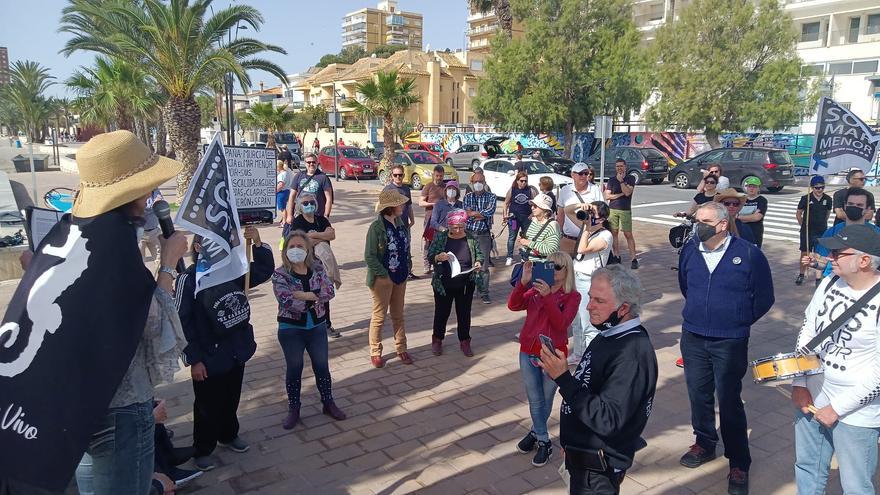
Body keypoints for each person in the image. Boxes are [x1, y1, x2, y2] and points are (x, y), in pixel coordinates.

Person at [64, 131, 189, 495]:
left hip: (85, 399)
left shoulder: (76, 235)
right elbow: (150, 325)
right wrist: (167, 264)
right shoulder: (116, 245)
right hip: (120, 406)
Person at [677, 202, 774, 495]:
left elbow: (764, 297)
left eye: (704, 220)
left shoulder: (748, 254)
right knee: (698, 393)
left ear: (721, 225)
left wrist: (738, 319)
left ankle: (739, 462)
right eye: (696, 220)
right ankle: (705, 442)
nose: (697, 225)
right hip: (693, 335)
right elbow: (686, 285)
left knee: (729, 400)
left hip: (729, 340)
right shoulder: (690, 251)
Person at [539, 265, 658, 495]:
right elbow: (590, 387)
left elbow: (608, 419)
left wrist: (563, 378)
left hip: (598, 472)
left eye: (599, 301)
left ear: (623, 308)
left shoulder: (632, 352)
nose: (589, 306)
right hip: (583, 459)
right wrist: (572, 443)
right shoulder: (609, 334)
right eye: (590, 297)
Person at [175, 226, 275, 471]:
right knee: (207, 405)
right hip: (208, 356)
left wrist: (259, 245)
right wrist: (194, 359)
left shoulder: (233, 270)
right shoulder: (189, 280)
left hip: (235, 350)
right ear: (198, 247)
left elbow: (262, 272)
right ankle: (203, 448)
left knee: (231, 397)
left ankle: (229, 434)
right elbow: (181, 322)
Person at [790, 224, 880, 495]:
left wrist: (837, 408)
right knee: (808, 467)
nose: (829, 258)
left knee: (855, 485)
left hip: (856, 413)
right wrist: (799, 382)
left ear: (864, 261)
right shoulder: (829, 282)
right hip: (813, 394)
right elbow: (808, 329)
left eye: (838, 253)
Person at [509, 253, 581, 468]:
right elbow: (513, 305)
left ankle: (536, 435)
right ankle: (542, 438)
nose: (553, 270)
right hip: (528, 350)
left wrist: (549, 297)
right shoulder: (535, 291)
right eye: (549, 266)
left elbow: (561, 325)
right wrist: (523, 283)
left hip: (553, 355)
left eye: (557, 266)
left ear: (567, 270)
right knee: (535, 398)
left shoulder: (572, 296)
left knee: (545, 398)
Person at [272, 230, 345, 430]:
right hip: (291, 329)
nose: (296, 250)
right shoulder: (280, 274)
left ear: (308, 250)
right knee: (294, 368)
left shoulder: (318, 268)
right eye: (291, 247)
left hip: (317, 326)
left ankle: (328, 402)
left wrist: (303, 295)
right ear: (285, 250)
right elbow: (287, 301)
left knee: (321, 366)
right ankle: (294, 408)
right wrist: (315, 296)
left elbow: (329, 292)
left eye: (300, 247)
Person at [365, 190, 413, 368]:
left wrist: (407, 266)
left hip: (401, 276)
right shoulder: (376, 228)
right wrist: (383, 275)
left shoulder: (401, 223)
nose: (403, 206)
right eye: (400, 204)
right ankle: (375, 351)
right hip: (383, 279)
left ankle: (402, 348)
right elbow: (369, 256)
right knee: (379, 316)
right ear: (390, 207)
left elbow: (406, 248)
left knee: (398, 315)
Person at [428, 209, 484, 357]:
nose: (457, 230)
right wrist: (438, 257)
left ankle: (465, 341)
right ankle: (437, 340)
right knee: (441, 313)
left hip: (466, 283)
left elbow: (479, 254)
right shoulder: (441, 237)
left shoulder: (471, 237)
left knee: (464, 314)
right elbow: (430, 255)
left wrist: (478, 262)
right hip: (444, 283)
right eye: (454, 227)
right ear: (449, 225)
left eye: (460, 227)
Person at [289, 192, 342, 338]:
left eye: (311, 202)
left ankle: (326, 324)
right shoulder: (297, 222)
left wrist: (313, 235)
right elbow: (302, 243)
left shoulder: (321, 219)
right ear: (300, 206)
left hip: (322, 264)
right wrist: (320, 236)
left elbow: (331, 235)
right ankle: (308, 326)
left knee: (324, 294)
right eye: (305, 203)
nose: (309, 205)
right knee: (309, 295)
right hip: (306, 264)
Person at [568, 201, 614, 366]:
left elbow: (582, 249)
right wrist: (582, 206)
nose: (589, 216)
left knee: (588, 323)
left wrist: (587, 227)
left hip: (588, 280)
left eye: (593, 213)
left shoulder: (605, 235)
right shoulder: (586, 226)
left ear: (601, 219)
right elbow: (567, 211)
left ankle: (590, 359)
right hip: (575, 277)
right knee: (576, 321)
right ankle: (579, 354)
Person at [803, 187, 880, 282]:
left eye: (859, 205)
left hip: (863, 285)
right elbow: (823, 262)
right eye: (850, 204)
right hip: (834, 282)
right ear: (845, 206)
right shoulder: (832, 232)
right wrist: (814, 263)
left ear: (868, 209)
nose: (854, 207)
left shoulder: (876, 234)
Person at [463, 172, 497, 303]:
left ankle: (484, 292)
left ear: (484, 182)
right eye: (475, 181)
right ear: (472, 183)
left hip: (484, 234)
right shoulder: (468, 197)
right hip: (469, 234)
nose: (478, 184)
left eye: (480, 181)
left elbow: (489, 212)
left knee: (483, 266)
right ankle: (469, 291)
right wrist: (478, 214)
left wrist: (473, 214)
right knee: (469, 264)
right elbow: (466, 214)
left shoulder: (491, 197)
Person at [795, 175, 833, 286]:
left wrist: (822, 224)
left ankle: (818, 278)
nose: (820, 189)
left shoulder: (828, 199)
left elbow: (827, 214)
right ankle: (801, 274)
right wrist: (803, 225)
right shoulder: (805, 198)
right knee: (805, 253)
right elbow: (798, 214)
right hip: (807, 231)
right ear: (812, 187)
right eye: (817, 187)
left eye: (822, 187)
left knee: (819, 254)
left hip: (821, 231)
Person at [559, 162, 603, 256]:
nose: (583, 176)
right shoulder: (565, 190)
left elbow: (601, 213)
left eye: (586, 173)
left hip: (588, 240)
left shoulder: (595, 189)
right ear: (572, 175)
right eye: (580, 173)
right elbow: (561, 214)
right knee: (565, 268)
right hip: (568, 239)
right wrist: (559, 234)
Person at [384, 164, 417, 279]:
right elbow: (383, 209)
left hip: (404, 224)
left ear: (403, 175)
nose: (398, 177)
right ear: (392, 176)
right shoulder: (388, 189)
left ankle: (408, 271)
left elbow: (409, 206)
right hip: (392, 226)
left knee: (406, 248)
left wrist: (412, 220)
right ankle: (394, 271)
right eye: (395, 175)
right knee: (394, 248)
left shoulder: (406, 189)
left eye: (400, 175)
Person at [604, 159, 638, 269]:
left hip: (625, 209)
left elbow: (628, 193)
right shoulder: (612, 180)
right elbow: (607, 196)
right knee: (614, 233)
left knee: (628, 234)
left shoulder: (630, 178)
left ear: (625, 166)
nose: (619, 168)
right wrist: (619, 195)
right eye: (617, 166)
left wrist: (621, 181)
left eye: (621, 166)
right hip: (613, 209)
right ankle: (617, 256)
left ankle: (633, 258)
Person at [285, 153, 333, 223]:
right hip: (300, 215)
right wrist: (289, 215)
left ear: (317, 163)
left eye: (313, 162)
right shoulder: (299, 176)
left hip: (317, 216)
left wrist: (326, 216)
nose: (311, 164)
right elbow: (291, 197)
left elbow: (329, 199)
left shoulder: (323, 177)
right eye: (309, 162)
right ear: (305, 163)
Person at [504, 171, 538, 266]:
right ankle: (509, 256)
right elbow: (506, 203)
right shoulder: (512, 190)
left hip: (526, 218)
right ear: (517, 181)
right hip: (514, 218)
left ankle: (524, 256)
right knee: (512, 237)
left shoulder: (530, 190)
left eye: (525, 181)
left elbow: (536, 203)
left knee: (526, 237)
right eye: (521, 181)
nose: (523, 183)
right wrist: (505, 215)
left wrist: (532, 214)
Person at [418, 165, 447, 274]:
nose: (439, 178)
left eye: (441, 176)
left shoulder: (445, 187)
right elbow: (421, 202)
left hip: (442, 220)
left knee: (440, 242)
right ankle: (427, 265)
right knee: (428, 241)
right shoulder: (428, 186)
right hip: (430, 219)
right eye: (437, 175)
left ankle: (437, 263)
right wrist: (434, 204)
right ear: (433, 175)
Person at [520, 193, 561, 263]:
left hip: (541, 266)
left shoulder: (552, 225)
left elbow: (552, 250)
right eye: (532, 205)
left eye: (535, 206)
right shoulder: (533, 221)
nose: (532, 208)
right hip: (526, 262)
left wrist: (529, 243)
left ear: (544, 209)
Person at [738, 177, 767, 248]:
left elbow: (757, 217)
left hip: (755, 232)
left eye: (754, 187)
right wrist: (751, 216)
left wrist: (739, 217)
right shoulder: (741, 199)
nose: (751, 189)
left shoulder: (762, 200)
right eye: (750, 186)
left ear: (758, 188)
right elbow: (734, 214)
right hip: (740, 230)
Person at [141, 189, 164, 261]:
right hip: (140, 233)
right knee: (139, 260)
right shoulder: (135, 193)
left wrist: (158, 202)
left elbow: (159, 201)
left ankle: (160, 272)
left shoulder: (154, 190)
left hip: (154, 232)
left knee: (160, 258)